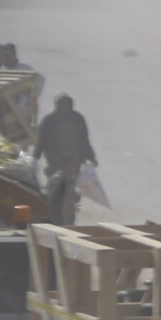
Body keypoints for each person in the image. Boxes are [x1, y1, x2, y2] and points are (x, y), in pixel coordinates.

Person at [36, 92, 96, 226]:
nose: (64, 106)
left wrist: (91, 157)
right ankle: (55, 218)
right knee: (54, 189)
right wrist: (35, 157)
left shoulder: (77, 119)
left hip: (74, 161)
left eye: (66, 103)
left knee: (69, 190)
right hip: (55, 161)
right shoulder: (49, 120)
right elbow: (41, 140)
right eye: (61, 103)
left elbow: (84, 139)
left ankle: (68, 220)